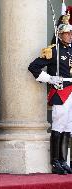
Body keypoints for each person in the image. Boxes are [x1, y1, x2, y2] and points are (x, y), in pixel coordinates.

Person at [28, 14, 72, 175]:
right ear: (60, 35)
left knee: (68, 126)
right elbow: (33, 67)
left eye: (71, 33)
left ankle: (64, 160)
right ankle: (55, 162)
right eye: (67, 33)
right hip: (61, 91)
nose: (70, 36)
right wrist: (50, 79)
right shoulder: (52, 50)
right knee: (59, 124)